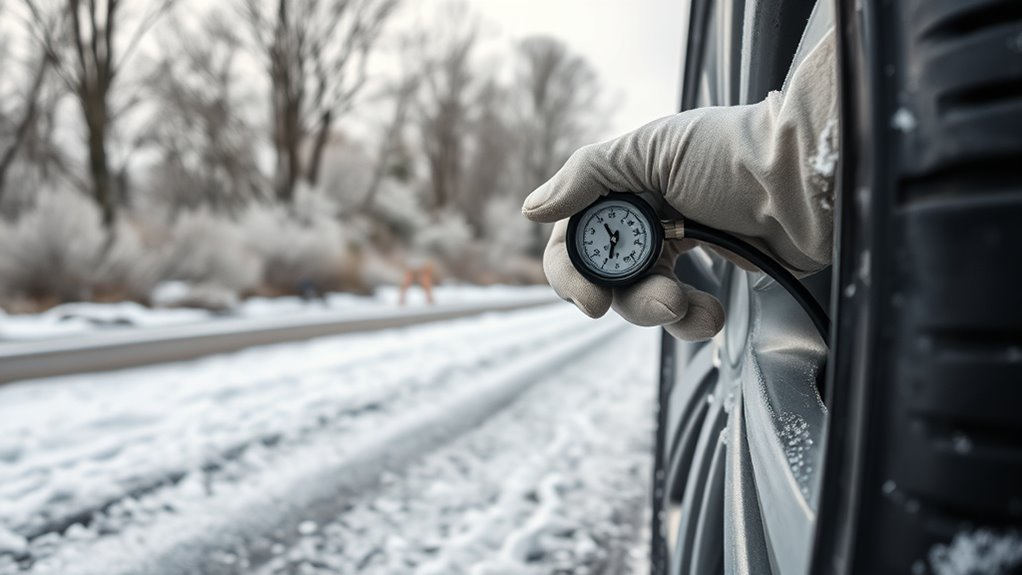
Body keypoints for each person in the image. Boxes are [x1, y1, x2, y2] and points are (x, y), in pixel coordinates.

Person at [522, 27, 837, 341]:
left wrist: (781, 167)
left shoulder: (666, 170)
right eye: (607, 240)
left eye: (610, 231)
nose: (613, 237)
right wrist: (790, 187)